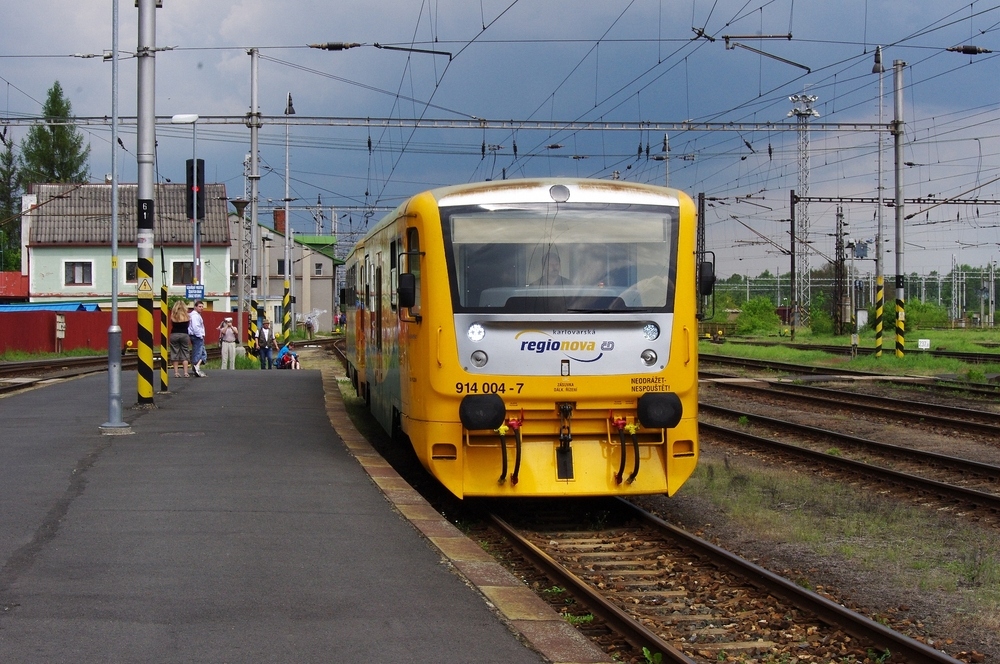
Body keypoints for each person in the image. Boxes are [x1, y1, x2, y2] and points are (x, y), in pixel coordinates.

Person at [168, 299, 192, 378]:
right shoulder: (187, 316)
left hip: (174, 334)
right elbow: (188, 325)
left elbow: (172, 323)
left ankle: (176, 373)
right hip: (184, 334)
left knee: (175, 352)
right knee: (185, 352)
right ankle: (185, 373)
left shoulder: (173, 315)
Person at [188, 300, 207, 377]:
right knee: (200, 352)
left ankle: (196, 367)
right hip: (197, 336)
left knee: (200, 352)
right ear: (195, 307)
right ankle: (196, 367)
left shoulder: (195, 315)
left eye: (202, 307)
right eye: (199, 306)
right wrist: (200, 335)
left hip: (195, 336)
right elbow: (196, 327)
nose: (201, 308)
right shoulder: (195, 316)